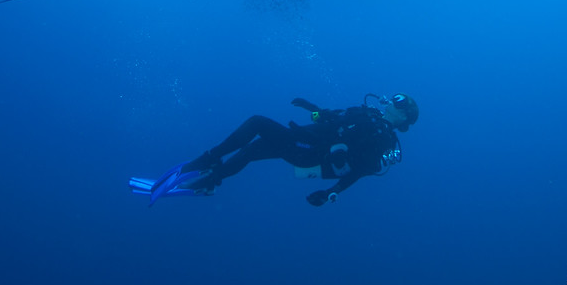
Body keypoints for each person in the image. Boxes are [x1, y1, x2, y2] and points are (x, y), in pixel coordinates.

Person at [130, 93, 418, 207]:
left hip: (310, 152)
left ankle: (204, 162)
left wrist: (333, 192)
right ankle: (209, 182)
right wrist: (313, 109)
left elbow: (361, 171)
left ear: (403, 118)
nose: (391, 101)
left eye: (399, 103)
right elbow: (331, 119)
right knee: (254, 149)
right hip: (303, 140)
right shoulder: (366, 114)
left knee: (257, 123)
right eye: (395, 98)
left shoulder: (382, 138)